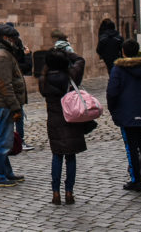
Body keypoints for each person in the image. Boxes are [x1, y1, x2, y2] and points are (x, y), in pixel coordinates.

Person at [106, 39, 141, 191]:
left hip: (126, 112)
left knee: (131, 146)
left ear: (123, 51)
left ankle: (135, 179)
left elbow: (112, 92)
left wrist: (113, 109)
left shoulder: (118, 69)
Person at [39, 47, 88, 205]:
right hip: (71, 119)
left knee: (57, 156)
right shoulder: (70, 76)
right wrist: (67, 53)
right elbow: (80, 60)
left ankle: (55, 193)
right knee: (71, 157)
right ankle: (69, 192)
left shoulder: (44, 80)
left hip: (54, 121)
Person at [0, 22, 27, 187]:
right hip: (4, 104)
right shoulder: (2, 55)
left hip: (4, 103)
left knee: (5, 140)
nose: (16, 41)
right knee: (1, 142)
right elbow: (5, 84)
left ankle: (6, 173)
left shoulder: (2, 52)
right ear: (5, 38)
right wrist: (15, 106)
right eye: (13, 38)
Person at [10, 32, 34, 151]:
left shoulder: (6, 53)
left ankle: (12, 140)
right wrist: (28, 55)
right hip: (14, 90)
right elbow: (26, 67)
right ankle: (19, 141)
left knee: (11, 116)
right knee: (17, 115)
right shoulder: (13, 56)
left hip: (11, 90)